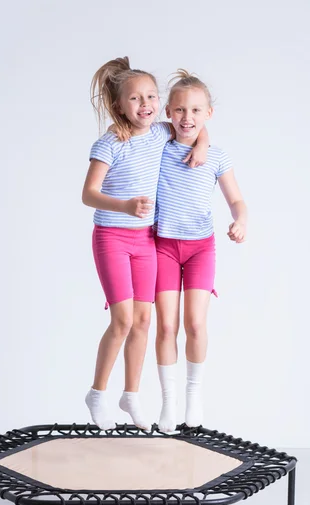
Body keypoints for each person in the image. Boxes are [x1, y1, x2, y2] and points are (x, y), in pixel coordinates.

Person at [82, 58, 209, 430]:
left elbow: (193, 125)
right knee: (121, 320)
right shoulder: (109, 142)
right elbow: (88, 194)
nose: (145, 104)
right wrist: (123, 205)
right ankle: (98, 393)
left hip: (147, 240)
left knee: (143, 320)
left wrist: (203, 143)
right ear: (119, 105)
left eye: (151, 96)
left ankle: (131, 396)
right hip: (112, 237)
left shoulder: (159, 132)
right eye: (135, 98)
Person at [154, 70, 248, 433]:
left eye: (195, 110)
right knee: (166, 325)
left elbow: (237, 200)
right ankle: (168, 401)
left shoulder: (217, 156)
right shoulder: (159, 147)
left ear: (209, 113)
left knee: (194, 322)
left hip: (200, 248)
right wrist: (199, 139)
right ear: (167, 112)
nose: (187, 118)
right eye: (179, 110)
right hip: (162, 245)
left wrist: (241, 221)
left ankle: (194, 395)